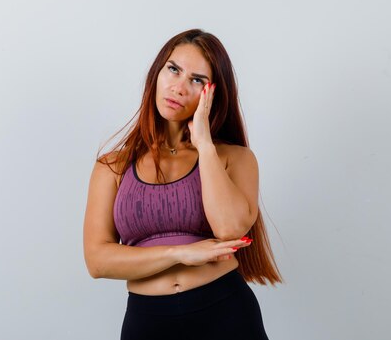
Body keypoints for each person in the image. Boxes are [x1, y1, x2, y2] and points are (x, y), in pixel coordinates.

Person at [83, 28, 282, 340]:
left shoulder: (235, 158)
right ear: (157, 73)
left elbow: (230, 229)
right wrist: (178, 254)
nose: (178, 87)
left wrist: (204, 144)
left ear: (213, 94)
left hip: (224, 315)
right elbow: (97, 261)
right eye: (173, 69)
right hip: (147, 322)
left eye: (197, 80)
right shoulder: (114, 165)